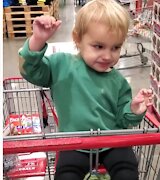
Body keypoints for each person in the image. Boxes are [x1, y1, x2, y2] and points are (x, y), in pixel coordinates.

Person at [18, 0, 153, 179]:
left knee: (127, 169)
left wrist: (134, 109)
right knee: (66, 174)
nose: (107, 55)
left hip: (112, 141)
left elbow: (123, 117)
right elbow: (30, 70)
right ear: (77, 39)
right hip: (74, 143)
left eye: (116, 47)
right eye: (98, 46)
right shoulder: (61, 65)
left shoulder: (119, 82)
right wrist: (38, 40)